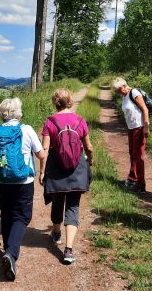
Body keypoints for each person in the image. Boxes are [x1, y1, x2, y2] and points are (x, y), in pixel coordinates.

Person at [0, 97, 46, 281]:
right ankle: (11, 253)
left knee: (6, 213)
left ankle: (9, 249)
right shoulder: (27, 129)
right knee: (22, 216)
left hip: (1, 180)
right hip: (23, 181)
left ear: (3, 113)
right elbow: (40, 154)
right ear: (19, 112)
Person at [40, 88, 93, 265]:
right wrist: (89, 161)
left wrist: (41, 172)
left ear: (55, 102)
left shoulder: (50, 122)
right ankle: (69, 250)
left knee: (57, 201)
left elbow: (45, 150)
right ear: (70, 101)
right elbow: (89, 147)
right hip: (77, 168)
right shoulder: (80, 120)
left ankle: (56, 234)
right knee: (73, 206)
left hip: (56, 169)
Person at [113, 77, 150, 193]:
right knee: (132, 153)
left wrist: (146, 127)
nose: (118, 92)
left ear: (124, 86)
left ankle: (141, 185)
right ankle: (132, 178)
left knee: (138, 156)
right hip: (131, 128)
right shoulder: (125, 97)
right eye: (116, 91)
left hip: (139, 127)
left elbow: (145, 109)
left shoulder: (134, 93)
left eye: (119, 90)